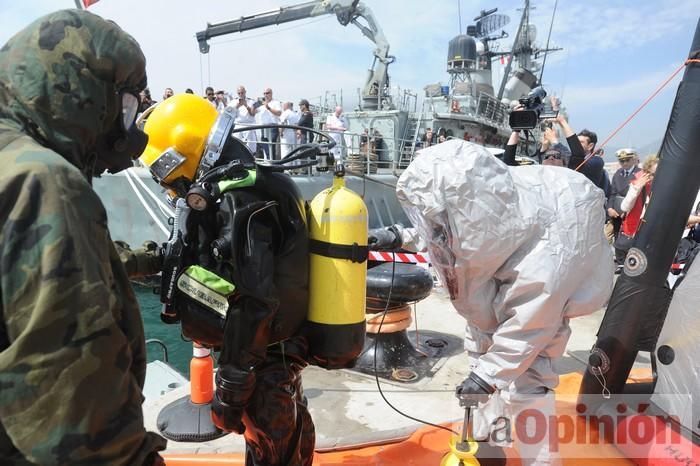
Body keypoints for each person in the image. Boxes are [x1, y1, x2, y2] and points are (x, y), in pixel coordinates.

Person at [368, 140, 613, 465]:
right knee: (484, 373)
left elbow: (531, 324)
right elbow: (445, 230)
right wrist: (400, 236)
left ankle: (539, 461)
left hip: (541, 306)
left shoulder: (544, 257)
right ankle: (488, 450)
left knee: (528, 384)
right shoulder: (479, 214)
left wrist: (488, 376)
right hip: (502, 296)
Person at [0, 9, 167, 465]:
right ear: (82, 92)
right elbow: (84, 429)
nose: (126, 125)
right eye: (126, 104)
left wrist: (138, 262)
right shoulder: (43, 182)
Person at [139, 93, 316, 466]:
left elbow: (256, 301)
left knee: (271, 450)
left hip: (265, 360)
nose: (168, 184)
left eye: (164, 171)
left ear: (180, 152)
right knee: (291, 439)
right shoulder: (265, 184)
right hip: (281, 351)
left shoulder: (241, 200)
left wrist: (232, 389)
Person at [615, 154, 659, 266]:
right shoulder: (637, 186)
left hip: (652, 238)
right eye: (653, 174)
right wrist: (637, 189)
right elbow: (624, 207)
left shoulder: (663, 189)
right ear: (646, 173)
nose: (656, 177)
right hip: (633, 236)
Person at [606, 148, 640, 249]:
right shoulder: (618, 173)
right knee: (617, 238)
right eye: (621, 161)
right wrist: (610, 208)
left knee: (630, 239)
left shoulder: (640, 174)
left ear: (633, 159)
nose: (624, 163)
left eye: (627, 160)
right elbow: (613, 193)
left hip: (632, 212)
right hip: (617, 213)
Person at [230, 85, 258, 154]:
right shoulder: (233, 102)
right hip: (238, 125)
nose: (241, 94)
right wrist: (237, 106)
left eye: (242, 93)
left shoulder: (252, 101)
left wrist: (246, 106)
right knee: (237, 146)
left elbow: (253, 114)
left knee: (250, 147)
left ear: (245, 92)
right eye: (239, 93)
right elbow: (230, 114)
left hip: (249, 125)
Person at [257, 87, 282, 160]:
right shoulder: (261, 104)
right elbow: (253, 112)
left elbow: (279, 113)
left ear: (271, 93)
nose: (265, 95)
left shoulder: (276, 102)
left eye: (267, 93)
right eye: (264, 93)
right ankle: (269, 160)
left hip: (272, 126)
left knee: (271, 146)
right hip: (263, 127)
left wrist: (268, 108)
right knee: (265, 145)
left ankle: (271, 162)